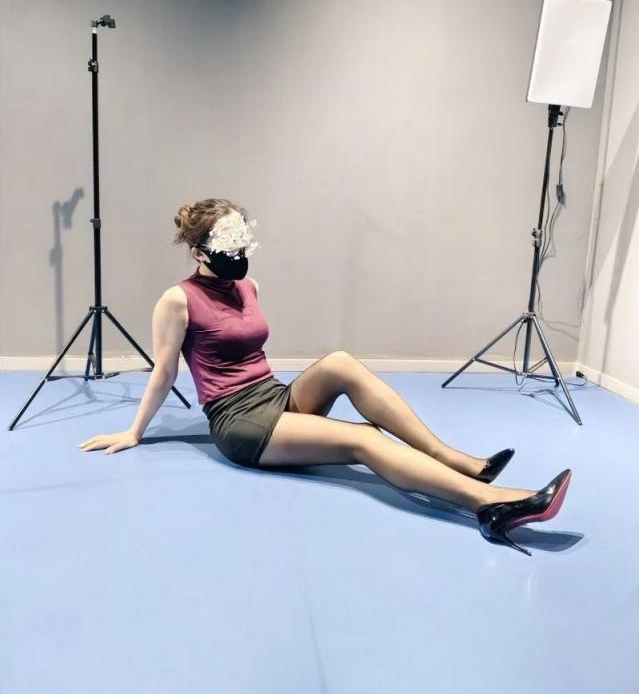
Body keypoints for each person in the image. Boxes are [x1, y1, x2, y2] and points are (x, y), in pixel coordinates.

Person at [79, 197, 572, 556]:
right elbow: (165, 371)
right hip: (239, 422)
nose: (239, 255)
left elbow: (252, 350)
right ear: (199, 252)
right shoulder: (177, 299)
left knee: (339, 361)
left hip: (273, 396)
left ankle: (456, 461)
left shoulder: (249, 286)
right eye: (227, 246)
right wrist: (135, 431)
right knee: (363, 440)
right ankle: (488, 505)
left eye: (242, 243)